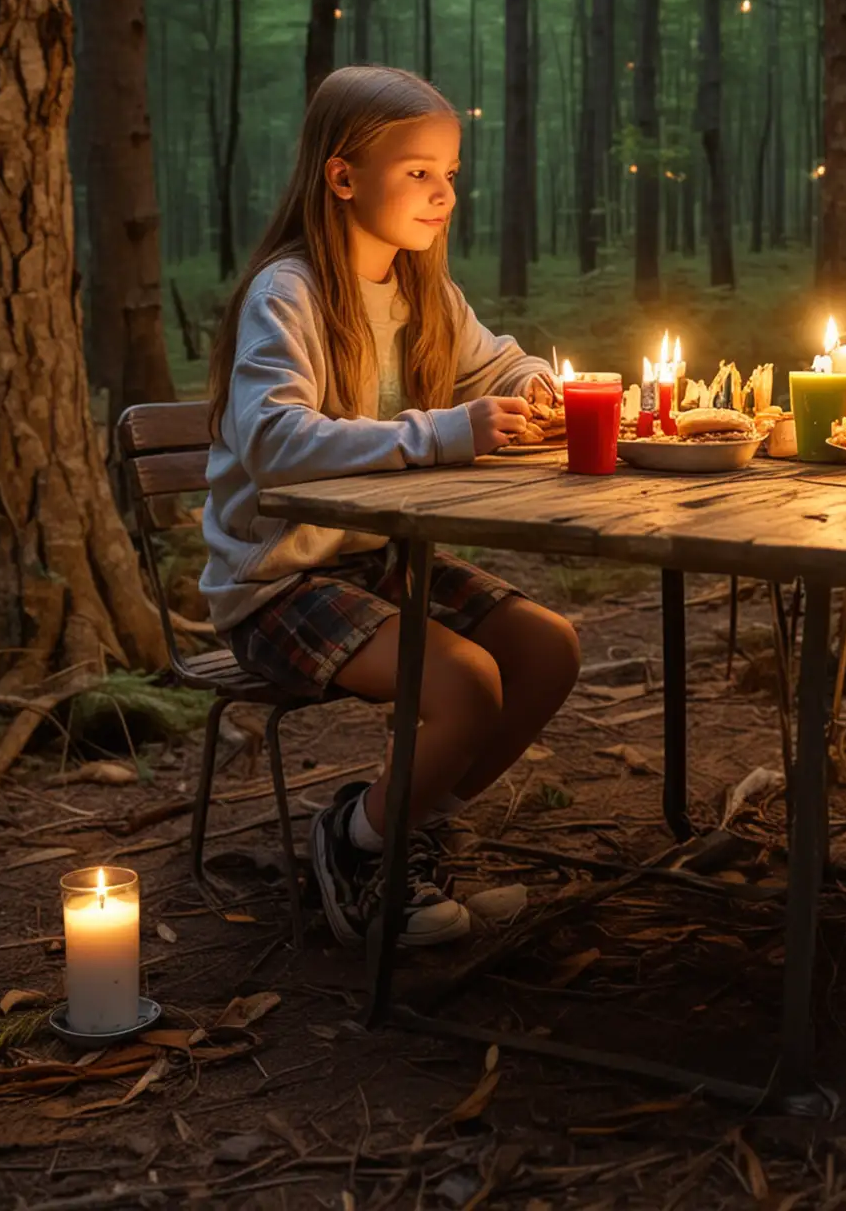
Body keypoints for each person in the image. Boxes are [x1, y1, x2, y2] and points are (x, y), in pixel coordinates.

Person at [201, 65, 580, 949]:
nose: (442, 193)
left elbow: (502, 364)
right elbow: (274, 442)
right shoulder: (287, 293)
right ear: (342, 177)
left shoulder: (424, 291)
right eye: (417, 172)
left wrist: (538, 386)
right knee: (467, 682)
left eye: (450, 171)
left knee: (546, 648)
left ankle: (402, 830)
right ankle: (358, 845)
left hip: (376, 560)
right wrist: (447, 429)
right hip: (279, 581)